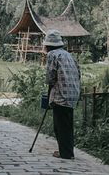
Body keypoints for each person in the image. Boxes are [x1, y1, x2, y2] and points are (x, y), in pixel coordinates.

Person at [43, 29, 81, 160]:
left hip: (61, 95)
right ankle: (67, 151)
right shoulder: (69, 55)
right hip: (73, 94)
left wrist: (49, 96)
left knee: (59, 126)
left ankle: (66, 153)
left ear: (48, 45)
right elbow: (78, 73)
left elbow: (50, 77)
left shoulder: (52, 55)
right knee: (66, 124)